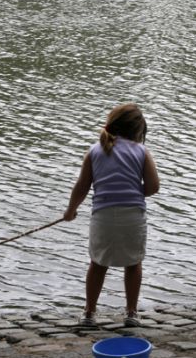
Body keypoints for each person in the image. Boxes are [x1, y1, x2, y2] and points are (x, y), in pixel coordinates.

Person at [63, 103, 160, 327]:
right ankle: (131, 313)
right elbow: (154, 186)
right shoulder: (142, 152)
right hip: (133, 215)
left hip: (103, 216)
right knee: (133, 263)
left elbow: (82, 186)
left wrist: (71, 211)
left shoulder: (95, 150)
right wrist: (136, 193)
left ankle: (89, 313)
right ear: (138, 131)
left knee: (98, 263)